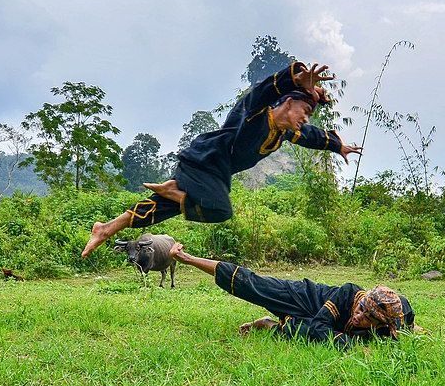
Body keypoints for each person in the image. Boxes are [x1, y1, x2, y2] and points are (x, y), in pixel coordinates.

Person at [82, 62, 362, 258]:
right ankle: (175, 194)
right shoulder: (254, 114)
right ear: (287, 104)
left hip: (215, 172)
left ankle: (105, 229)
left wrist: (338, 146)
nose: (305, 119)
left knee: (162, 209)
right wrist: (294, 79)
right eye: (304, 111)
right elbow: (261, 92)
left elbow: (311, 135)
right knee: (220, 210)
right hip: (204, 160)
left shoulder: (283, 134)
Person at [168, 242, 415, 348]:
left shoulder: (392, 321)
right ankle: (187, 259)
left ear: (382, 322)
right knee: (253, 285)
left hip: (313, 321)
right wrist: (349, 343)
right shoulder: (349, 292)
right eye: (360, 309)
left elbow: (406, 320)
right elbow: (321, 326)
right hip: (303, 297)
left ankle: (267, 325)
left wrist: (415, 330)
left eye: (366, 316)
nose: (359, 315)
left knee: (303, 333)